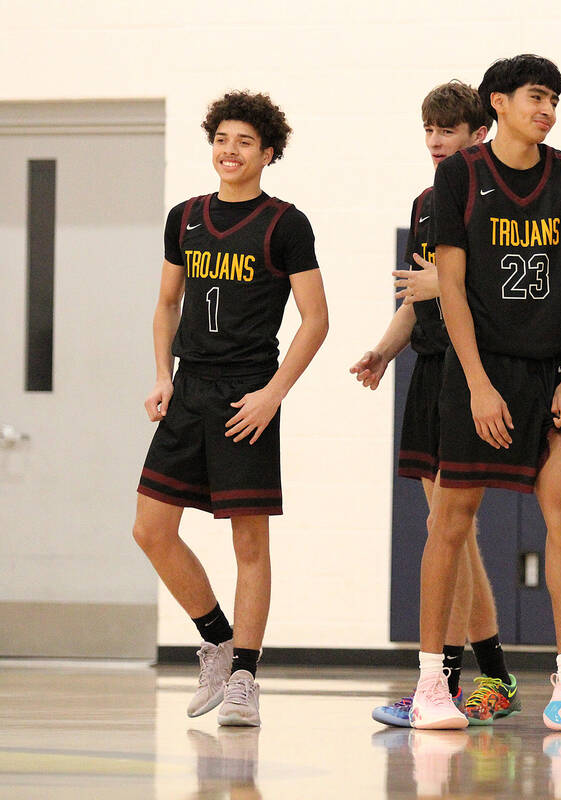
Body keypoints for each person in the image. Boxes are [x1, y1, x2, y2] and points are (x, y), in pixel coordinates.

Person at [409, 54, 561, 732]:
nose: (547, 109)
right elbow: (450, 287)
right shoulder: (459, 174)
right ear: (499, 102)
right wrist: (479, 385)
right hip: (479, 372)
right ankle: (433, 683)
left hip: (549, 373)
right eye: (536, 96)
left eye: (554, 98)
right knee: (450, 522)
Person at [133, 91, 329, 727]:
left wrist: (274, 394)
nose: (230, 150)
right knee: (150, 529)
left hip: (247, 390)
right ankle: (215, 638)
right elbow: (167, 304)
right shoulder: (185, 217)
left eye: (245, 141)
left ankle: (245, 676)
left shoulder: (285, 224)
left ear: (269, 153)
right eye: (222, 138)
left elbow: (316, 319)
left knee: (249, 540)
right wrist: (163, 375)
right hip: (189, 388)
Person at [351, 80, 518, 727]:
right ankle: (493, 676)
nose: (435, 140)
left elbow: (503, 289)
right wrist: (386, 349)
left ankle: (446, 681)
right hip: (428, 368)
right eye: (428, 129)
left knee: (447, 531)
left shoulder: (497, 198)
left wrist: (445, 282)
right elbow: (418, 297)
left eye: (447, 129)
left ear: (479, 134)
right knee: (451, 533)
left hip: (471, 372)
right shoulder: (428, 202)